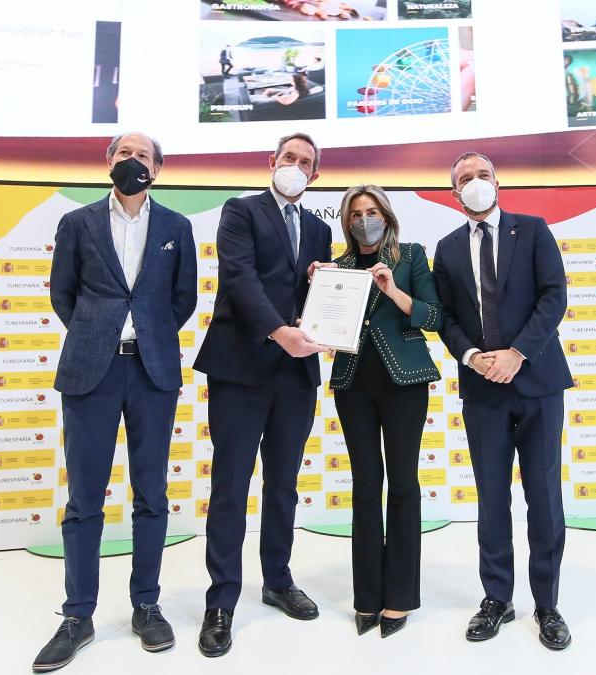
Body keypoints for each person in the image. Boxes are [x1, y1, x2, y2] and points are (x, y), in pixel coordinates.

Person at [32, 132, 197, 671]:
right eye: (124, 154)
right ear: (109, 162)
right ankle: (77, 615)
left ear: (157, 169)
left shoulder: (177, 226)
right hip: (90, 371)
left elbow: (183, 298)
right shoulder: (77, 223)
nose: (133, 162)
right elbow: (62, 294)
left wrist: (147, 335)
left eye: (143, 156)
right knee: (84, 499)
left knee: (151, 494)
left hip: (152, 371)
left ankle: (146, 605)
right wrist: (96, 334)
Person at [193, 132, 333, 657]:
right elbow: (240, 278)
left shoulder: (319, 230)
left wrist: (324, 280)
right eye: (288, 158)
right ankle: (222, 599)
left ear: (315, 176)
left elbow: (319, 299)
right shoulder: (241, 210)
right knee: (230, 485)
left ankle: (277, 579)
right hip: (240, 366)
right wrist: (280, 331)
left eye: (305, 162)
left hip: (295, 374)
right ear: (271, 163)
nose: (295, 166)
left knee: (284, 484)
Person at [433, 152, 574, 651]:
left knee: (544, 496)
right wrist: (472, 357)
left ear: (498, 182)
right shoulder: (446, 248)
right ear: (455, 194)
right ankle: (497, 598)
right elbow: (445, 317)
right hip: (482, 389)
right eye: (465, 179)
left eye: (482, 175)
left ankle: (548, 603)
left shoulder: (532, 230)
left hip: (537, 382)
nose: (475, 183)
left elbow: (554, 297)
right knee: (492, 498)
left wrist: (517, 354)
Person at [325, 185, 443, 638]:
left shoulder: (411, 256)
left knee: (403, 484)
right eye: (355, 213)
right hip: (353, 384)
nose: (363, 220)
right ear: (346, 221)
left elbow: (433, 316)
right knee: (365, 485)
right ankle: (366, 597)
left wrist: (393, 290)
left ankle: (399, 597)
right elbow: (319, 325)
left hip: (404, 383)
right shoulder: (337, 267)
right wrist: (317, 286)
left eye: (371, 211)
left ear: (387, 216)